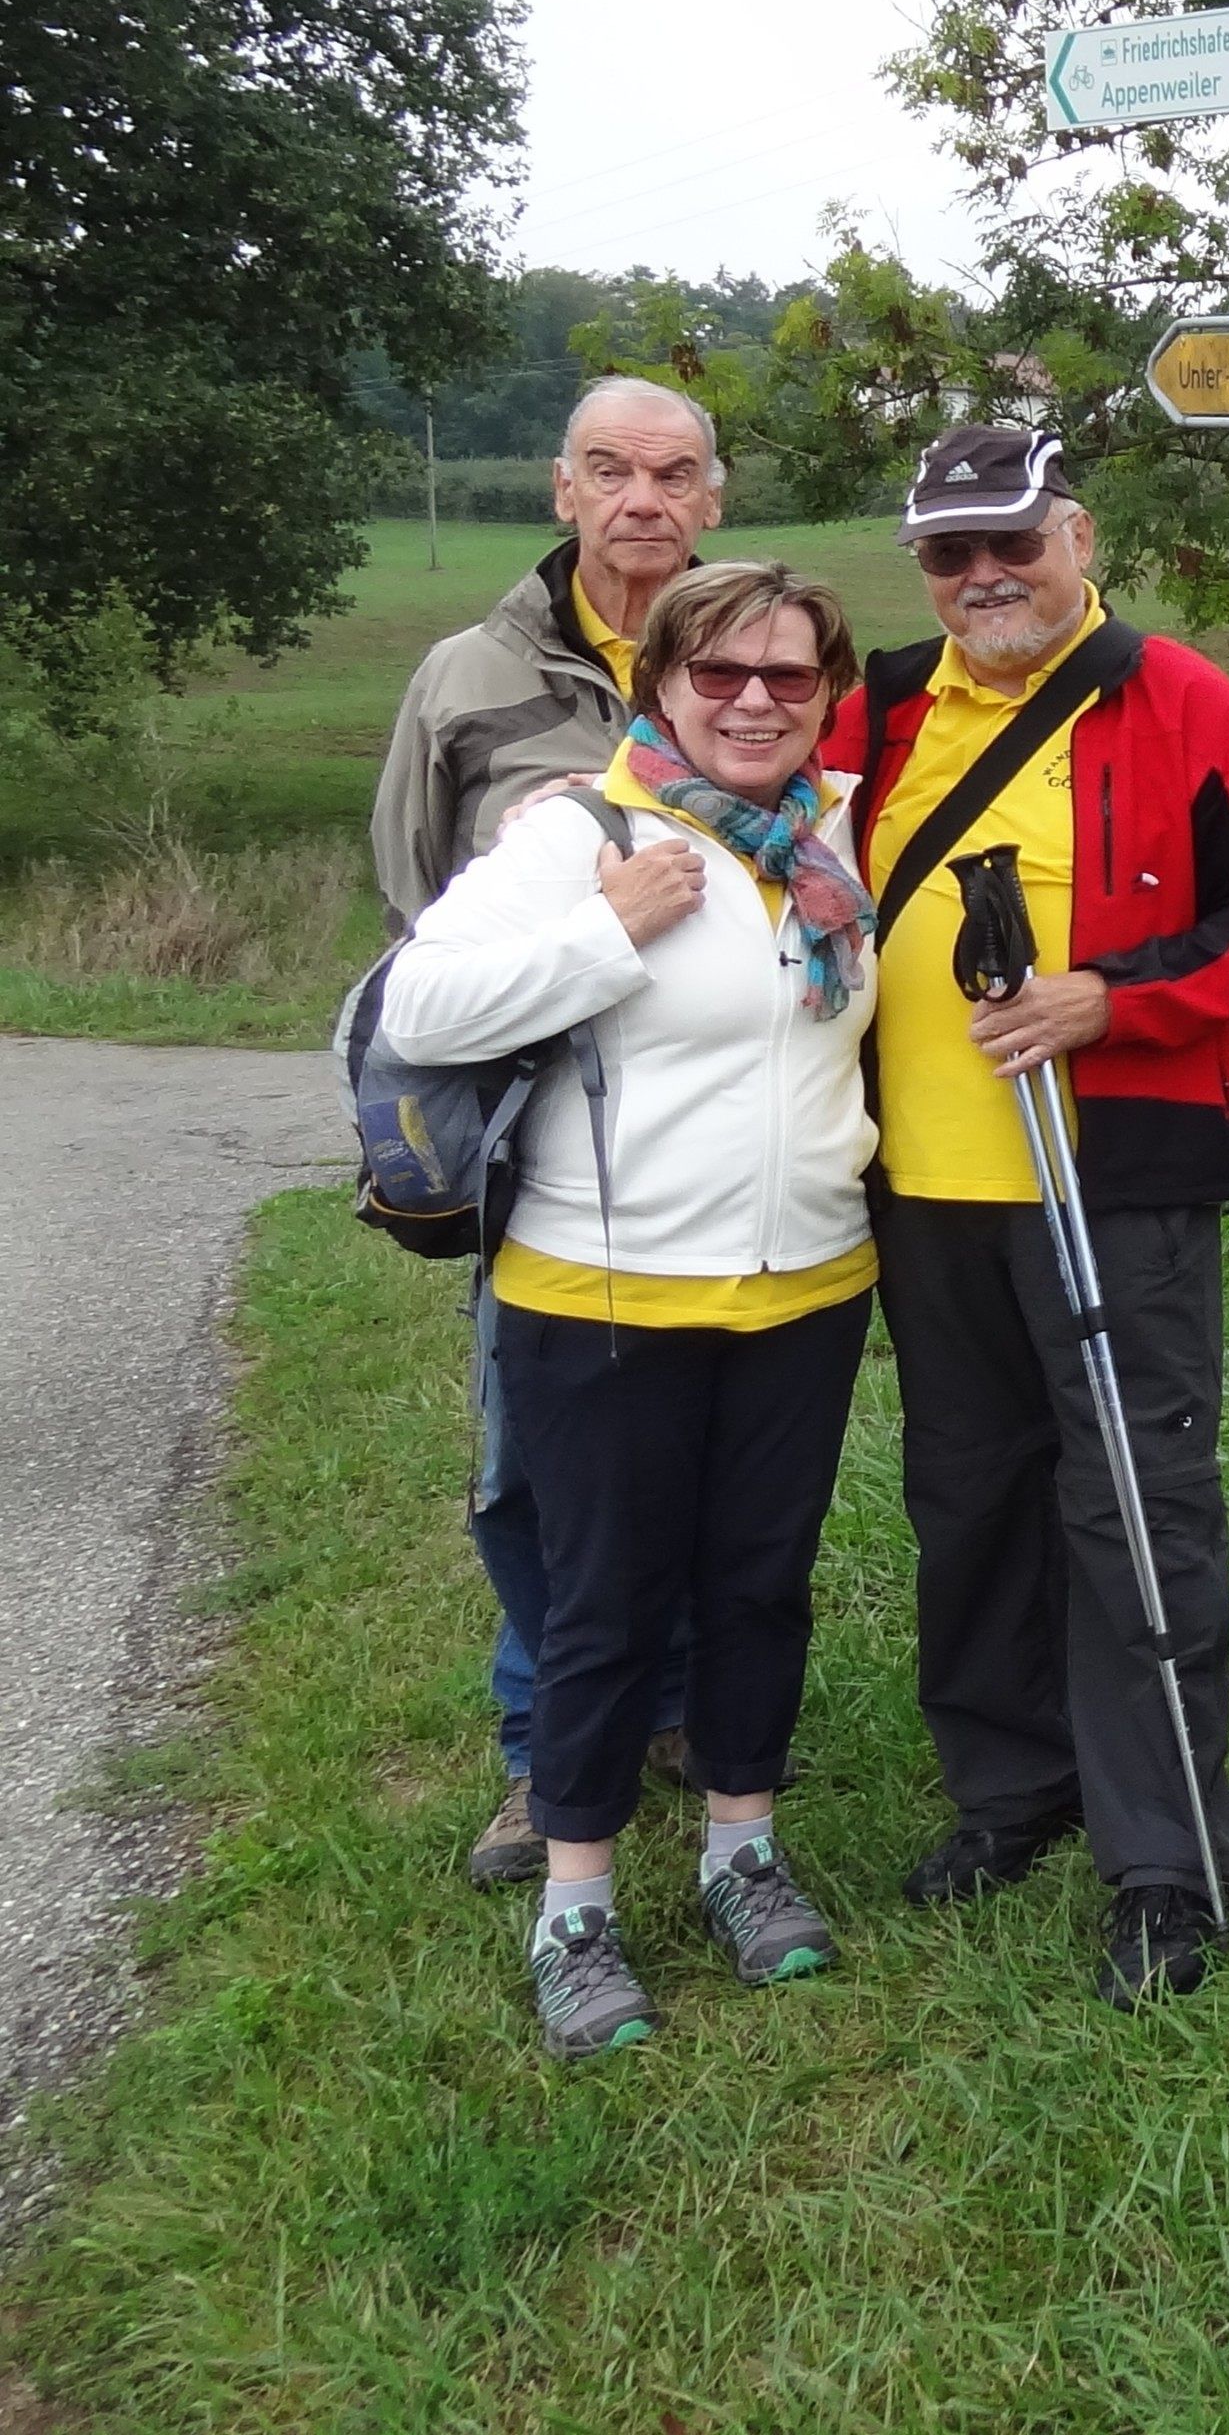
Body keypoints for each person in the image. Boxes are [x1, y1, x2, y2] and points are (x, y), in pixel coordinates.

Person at [824, 426, 1229, 2007]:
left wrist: (1117, 999)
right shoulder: (886, 708)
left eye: (1012, 543)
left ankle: (1166, 1856)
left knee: (1131, 1504)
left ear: (1075, 535)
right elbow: (749, 812)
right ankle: (1009, 1788)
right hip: (926, 1194)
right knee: (967, 1498)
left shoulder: (1176, 696)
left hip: (1115, 1181)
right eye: (951, 554)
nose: (985, 576)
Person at [379, 561, 882, 2059]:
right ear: (660, 680)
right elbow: (422, 1005)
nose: (752, 702)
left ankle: (743, 1851)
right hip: (604, 1293)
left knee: (757, 1583)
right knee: (603, 1606)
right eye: (719, 672)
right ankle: (579, 1909)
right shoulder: (581, 830)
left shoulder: (841, 838)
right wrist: (608, 930)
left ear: (823, 697)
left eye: (788, 679)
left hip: (806, 1283)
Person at [372, 379, 722, 1894]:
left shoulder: (760, 654)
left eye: (673, 473)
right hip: (534, 1148)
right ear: (561, 493)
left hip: (715, 1132)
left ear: (713, 498)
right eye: (609, 471)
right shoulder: (467, 676)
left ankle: (686, 1708)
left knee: (711, 1444)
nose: (642, 499)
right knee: (532, 1466)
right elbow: (412, 913)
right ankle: (541, 1749)